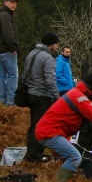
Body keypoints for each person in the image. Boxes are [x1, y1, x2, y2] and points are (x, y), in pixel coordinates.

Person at [35, 70, 92, 182]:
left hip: (50, 132)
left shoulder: (76, 93)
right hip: (49, 133)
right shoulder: (79, 97)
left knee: (74, 156)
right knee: (75, 157)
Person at [21, 32, 60, 163]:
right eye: (56, 44)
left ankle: (31, 151)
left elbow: (25, 73)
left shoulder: (32, 53)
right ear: (51, 44)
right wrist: (56, 96)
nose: (57, 47)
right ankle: (35, 155)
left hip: (31, 93)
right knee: (40, 126)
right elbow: (50, 79)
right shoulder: (48, 58)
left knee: (33, 125)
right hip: (42, 95)